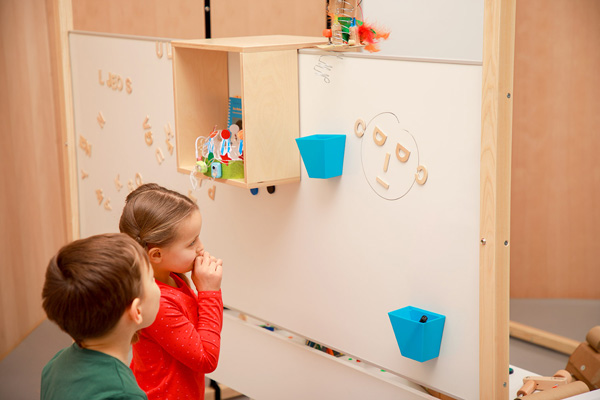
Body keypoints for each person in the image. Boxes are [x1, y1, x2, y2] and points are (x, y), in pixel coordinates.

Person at [119, 183, 224, 400]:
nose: (201, 247)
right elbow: (206, 359)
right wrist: (210, 292)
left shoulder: (170, 277)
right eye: (191, 242)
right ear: (156, 255)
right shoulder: (157, 303)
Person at [41, 233, 161, 400]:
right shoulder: (124, 394)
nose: (157, 284)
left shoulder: (56, 364)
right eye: (152, 278)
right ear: (137, 310)